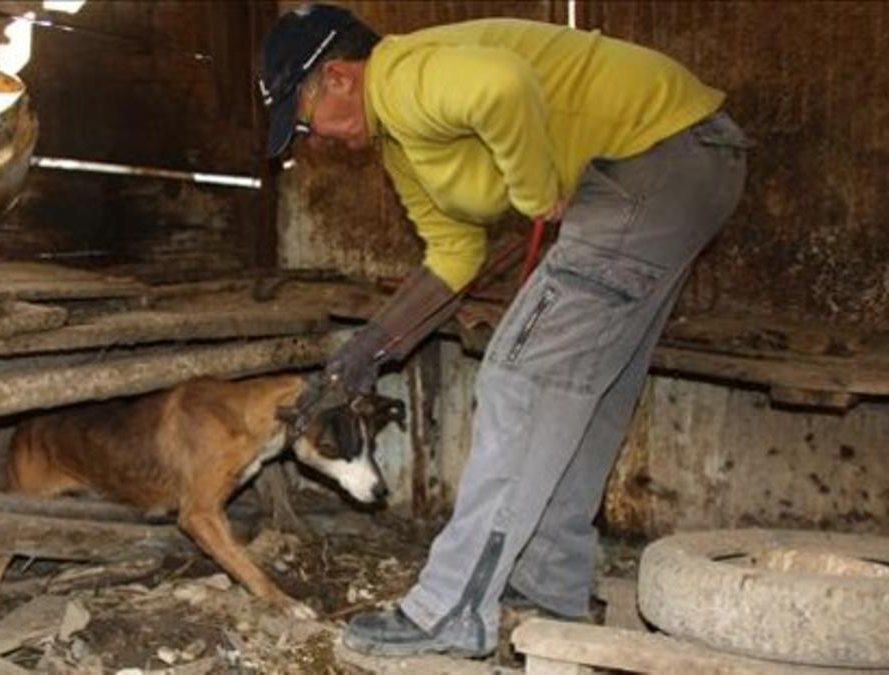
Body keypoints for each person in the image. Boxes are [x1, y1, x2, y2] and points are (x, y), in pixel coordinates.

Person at [258, 3, 749, 659]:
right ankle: (552, 593)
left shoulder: (400, 78)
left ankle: (451, 608)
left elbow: (504, 86)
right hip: (682, 162)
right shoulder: (401, 145)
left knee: (520, 380)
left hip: (651, 158)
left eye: (301, 119)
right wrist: (365, 350)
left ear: (340, 78)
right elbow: (453, 258)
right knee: (581, 391)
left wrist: (536, 187)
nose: (309, 139)